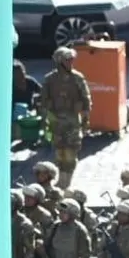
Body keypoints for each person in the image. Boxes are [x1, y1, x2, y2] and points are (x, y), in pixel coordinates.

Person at [38, 47, 92, 189]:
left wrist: (86, 118)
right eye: (67, 60)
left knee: (70, 152)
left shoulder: (77, 78)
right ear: (60, 62)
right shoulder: (49, 79)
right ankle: (61, 178)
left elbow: (86, 98)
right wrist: (44, 121)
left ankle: (67, 180)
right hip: (56, 121)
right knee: (59, 152)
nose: (70, 63)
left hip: (72, 121)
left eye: (71, 60)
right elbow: (43, 100)